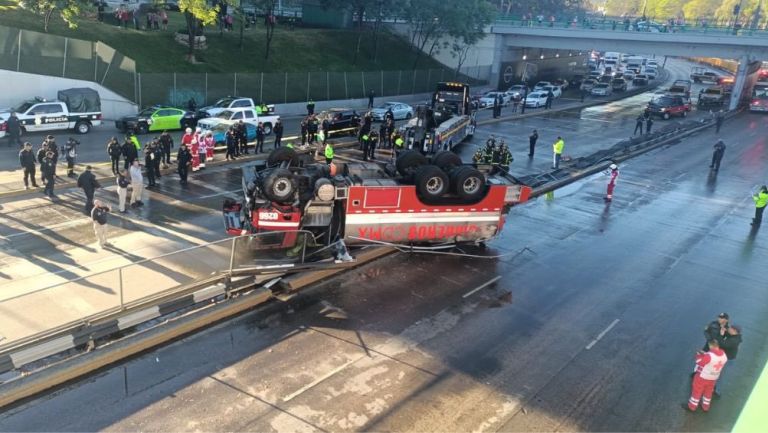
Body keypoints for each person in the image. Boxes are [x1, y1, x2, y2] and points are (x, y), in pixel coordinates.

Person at [685, 339, 727, 413]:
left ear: (710, 345)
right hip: (713, 377)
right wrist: (706, 354)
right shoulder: (724, 355)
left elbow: (699, 362)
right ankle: (705, 406)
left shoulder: (709, 356)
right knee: (708, 392)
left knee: (697, 391)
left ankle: (692, 406)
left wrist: (698, 355)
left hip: (703, 376)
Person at [715, 325, 742, 397]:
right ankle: (715, 386)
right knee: (718, 373)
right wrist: (724, 330)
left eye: (730, 328)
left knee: (720, 374)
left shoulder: (733, 340)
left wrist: (721, 334)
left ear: (734, 331)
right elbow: (727, 333)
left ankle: (718, 391)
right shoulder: (735, 336)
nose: (728, 329)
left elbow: (722, 344)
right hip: (727, 357)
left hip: (727, 359)